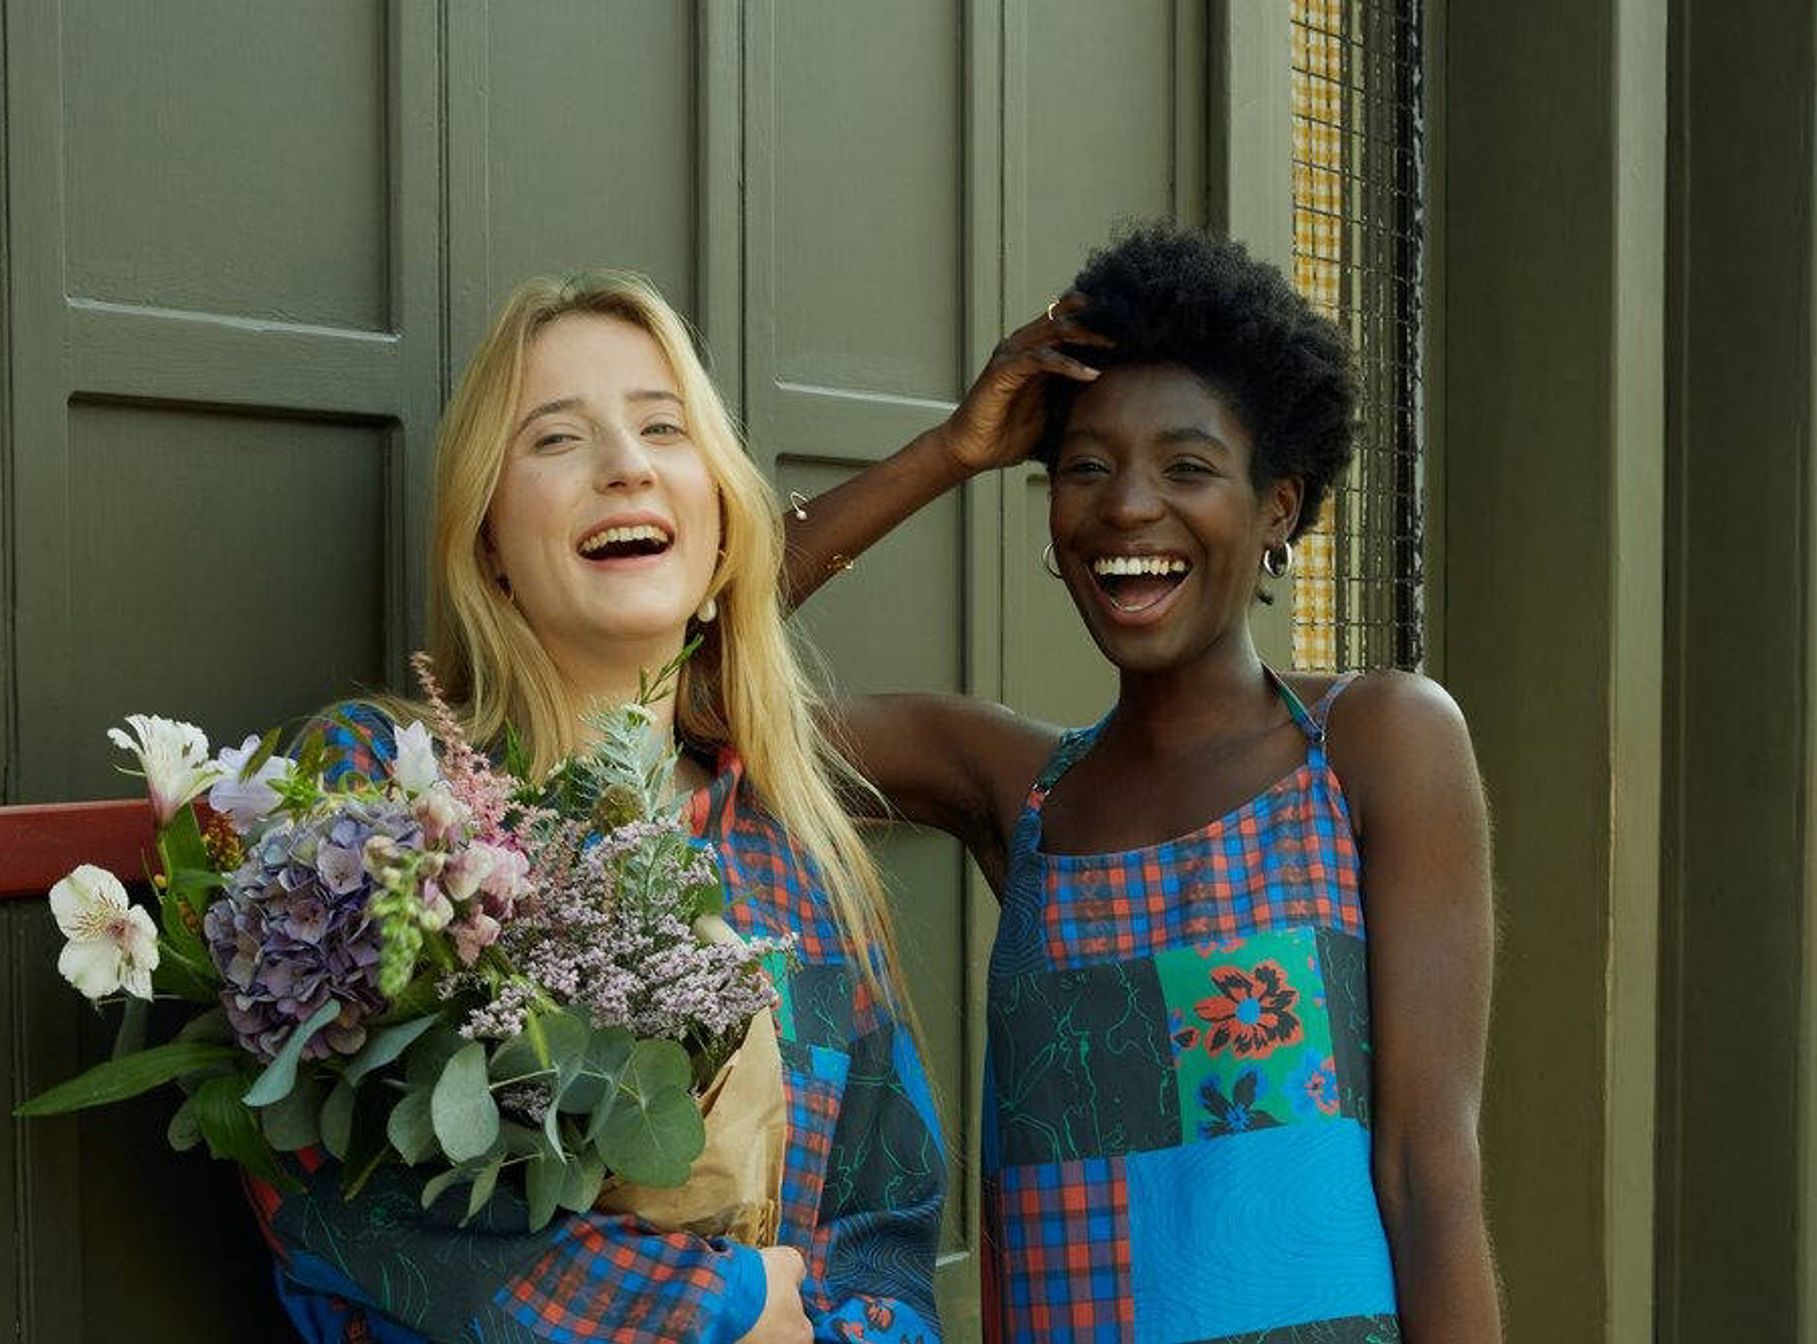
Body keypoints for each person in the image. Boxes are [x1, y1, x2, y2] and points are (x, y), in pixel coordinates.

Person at [785, 224, 1502, 1342]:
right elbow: (678, 690)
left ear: (1278, 510)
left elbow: (1429, 1178)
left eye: (1188, 467)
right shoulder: (1013, 787)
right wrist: (951, 452)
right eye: (1085, 467)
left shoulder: (1376, 744)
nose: (1127, 507)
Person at [254, 273, 944, 1344]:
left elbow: (888, 1240)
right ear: (487, 538)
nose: (627, 466)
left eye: (663, 428)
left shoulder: (800, 852)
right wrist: (716, 1310)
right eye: (557, 440)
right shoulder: (381, 797)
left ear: (720, 519)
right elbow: (329, 1203)